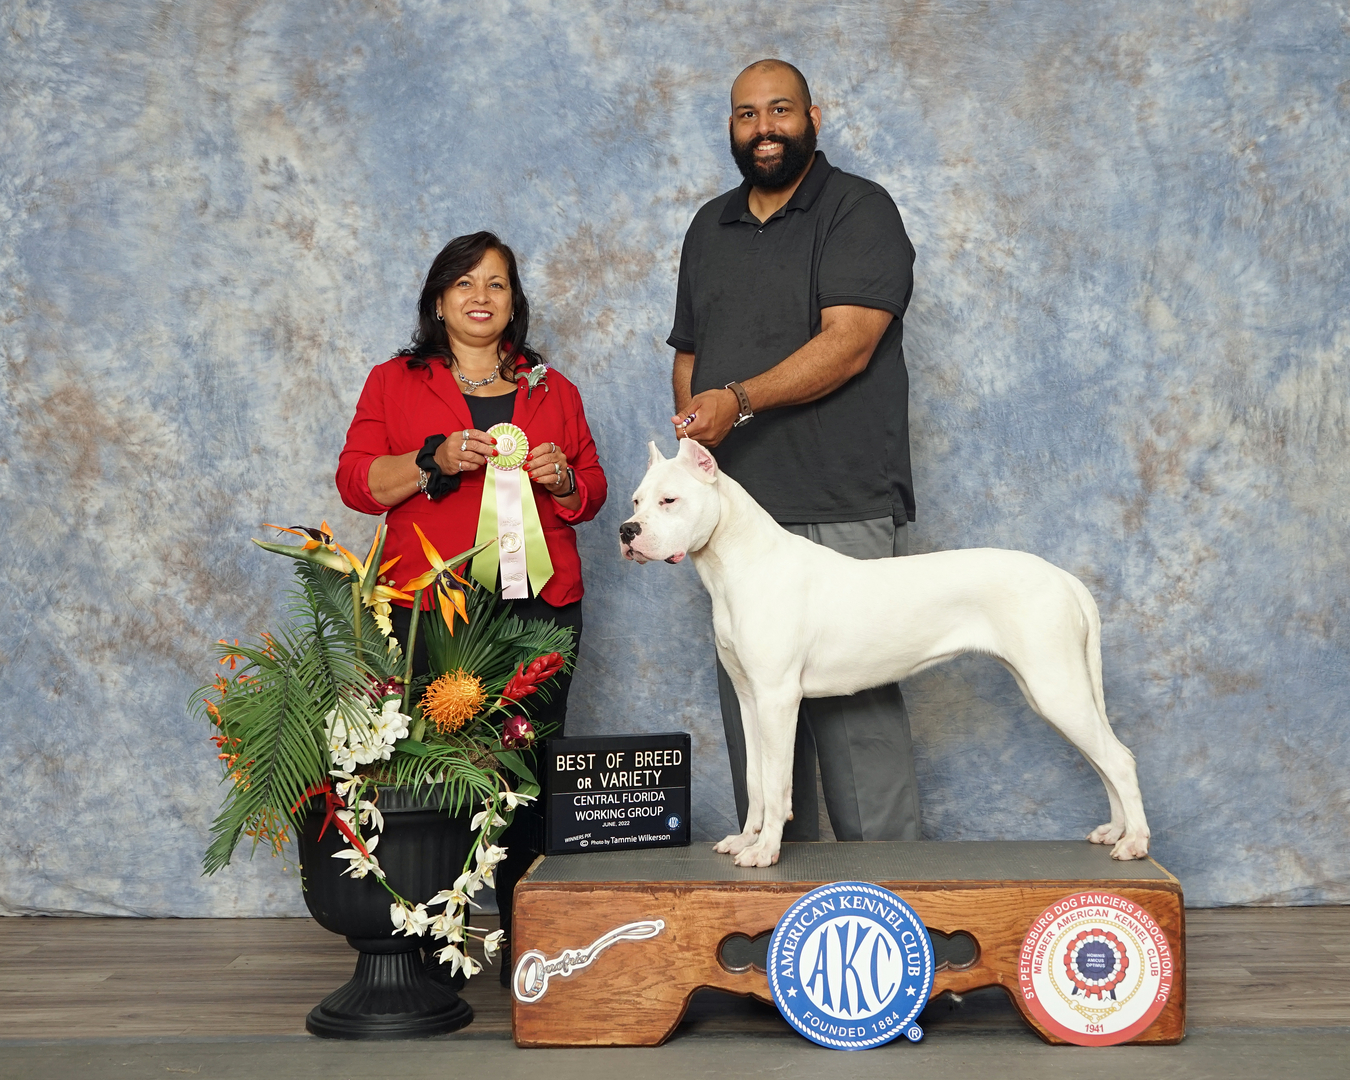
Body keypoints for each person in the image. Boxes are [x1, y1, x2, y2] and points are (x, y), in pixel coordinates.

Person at [337, 230, 607, 979]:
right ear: (437, 300)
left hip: (540, 609)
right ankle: (424, 940)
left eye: (496, 283)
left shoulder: (556, 389)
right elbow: (356, 481)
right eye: (465, 283)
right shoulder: (394, 381)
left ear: (514, 301)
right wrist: (431, 461)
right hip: (433, 609)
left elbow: (593, 492)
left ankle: (532, 942)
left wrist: (559, 480)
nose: (481, 296)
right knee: (433, 771)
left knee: (529, 775)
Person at [668, 60, 921, 845]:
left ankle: (894, 913)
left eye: (779, 110)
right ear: (731, 127)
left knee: (859, 732)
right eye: (746, 115)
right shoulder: (709, 225)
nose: (764, 128)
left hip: (839, 499)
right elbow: (690, 355)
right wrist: (689, 458)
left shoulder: (859, 210)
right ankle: (782, 902)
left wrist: (736, 400)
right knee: (758, 718)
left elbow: (847, 345)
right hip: (736, 519)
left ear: (814, 114)